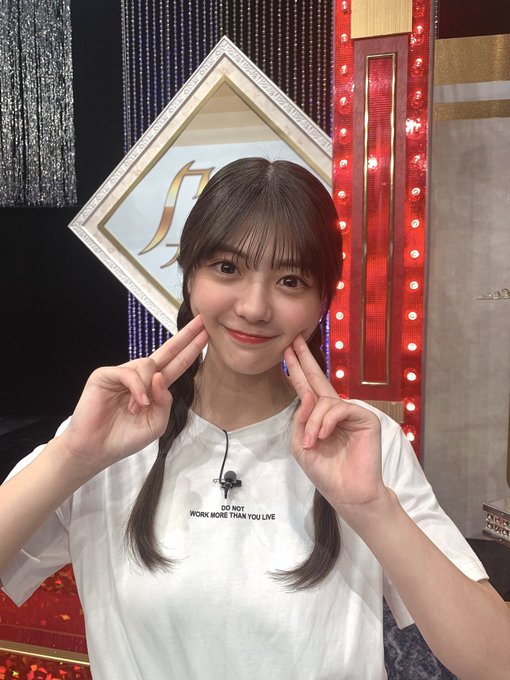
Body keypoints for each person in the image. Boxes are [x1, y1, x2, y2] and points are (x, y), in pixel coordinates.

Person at [0, 158, 508, 680]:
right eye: (228, 268)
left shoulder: (363, 442)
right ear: (190, 276)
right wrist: (71, 456)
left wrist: (372, 508)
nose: (255, 307)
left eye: (290, 280)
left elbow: (496, 661)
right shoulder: (109, 437)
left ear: (321, 301)